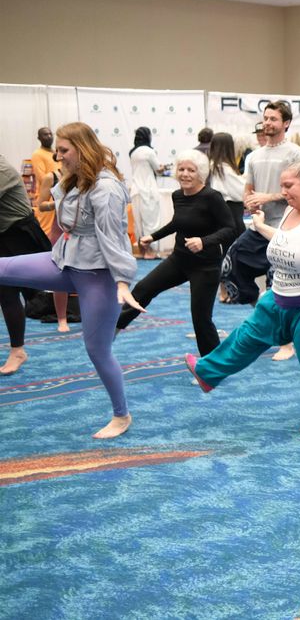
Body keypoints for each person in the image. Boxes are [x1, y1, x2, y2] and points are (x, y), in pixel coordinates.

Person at [187, 159, 300, 432]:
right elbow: (289, 241)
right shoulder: (291, 211)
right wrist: (260, 226)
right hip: (280, 296)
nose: (283, 192)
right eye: (281, 186)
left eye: (288, 185)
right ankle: (207, 373)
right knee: (245, 337)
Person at [0, 123, 143, 438]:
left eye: (64, 150)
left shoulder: (105, 188)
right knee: (4, 268)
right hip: (64, 263)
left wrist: (122, 281)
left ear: (82, 148)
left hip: (98, 277)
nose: (57, 156)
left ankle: (122, 416)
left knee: (97, 350)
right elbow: (63, 225)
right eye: (58, 150)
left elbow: (114, 239)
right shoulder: (75, 180)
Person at [117, 150, 237, 355]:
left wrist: (204, 241)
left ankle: (213, 367)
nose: (185, 174)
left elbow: (230, 229)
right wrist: (153, 237)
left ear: (200, 173)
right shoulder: (177, 195)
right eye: (181, 169)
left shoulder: (212, 197)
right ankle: (114, 329)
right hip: (179, 260)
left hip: (205, 266)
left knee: (201, 318)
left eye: (191, 170)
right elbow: (178, 222)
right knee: (143, 288)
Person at [220, 101, 300, 360]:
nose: (268, 123)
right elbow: (249, 191)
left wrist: (267, 198)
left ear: (286, 123)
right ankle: (262, 312)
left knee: (278, 282)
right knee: (229, 265)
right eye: (266, 118)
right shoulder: (254, 156)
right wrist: (250, 201)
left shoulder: (295, 154)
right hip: (259, 226)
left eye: (274, 119)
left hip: (287, 227)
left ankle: (286, 343)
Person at [0, 154, 56, 375]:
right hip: (3, 236)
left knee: (44, 293)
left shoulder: (1, 168)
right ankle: (18, 351)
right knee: (6, 293)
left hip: (21, 235)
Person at [31, 128, 71, 332]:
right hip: (58, 229)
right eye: (60, 151)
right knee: (59, 275)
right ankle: (61, 318)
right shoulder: (51, 176)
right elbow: (40, 204)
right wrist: (60, 204)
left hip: (81, 231)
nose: (62, 155)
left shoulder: (84, 175)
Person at [128, 127, 164, 260]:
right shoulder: (149, 151)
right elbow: (158, 168)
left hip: (136, 189)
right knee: (151, 222)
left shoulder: (133, 152)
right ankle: (151, 251)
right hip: (148, 190)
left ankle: (143, 251)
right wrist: (162, 168)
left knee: (139, 222)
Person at [207, 132, 246, 237]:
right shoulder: (223, 168)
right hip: (231, 214)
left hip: (221, 214)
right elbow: (241, 191)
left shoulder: (214, 166)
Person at [31, 127, 59, 238]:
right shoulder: (38, 154)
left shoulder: (56, 153)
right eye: (45, 135)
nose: (49, 136)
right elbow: (42, 178)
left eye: (50, 134)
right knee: (46, 231)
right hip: (46, 196)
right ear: (39, 138)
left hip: (59, 195)